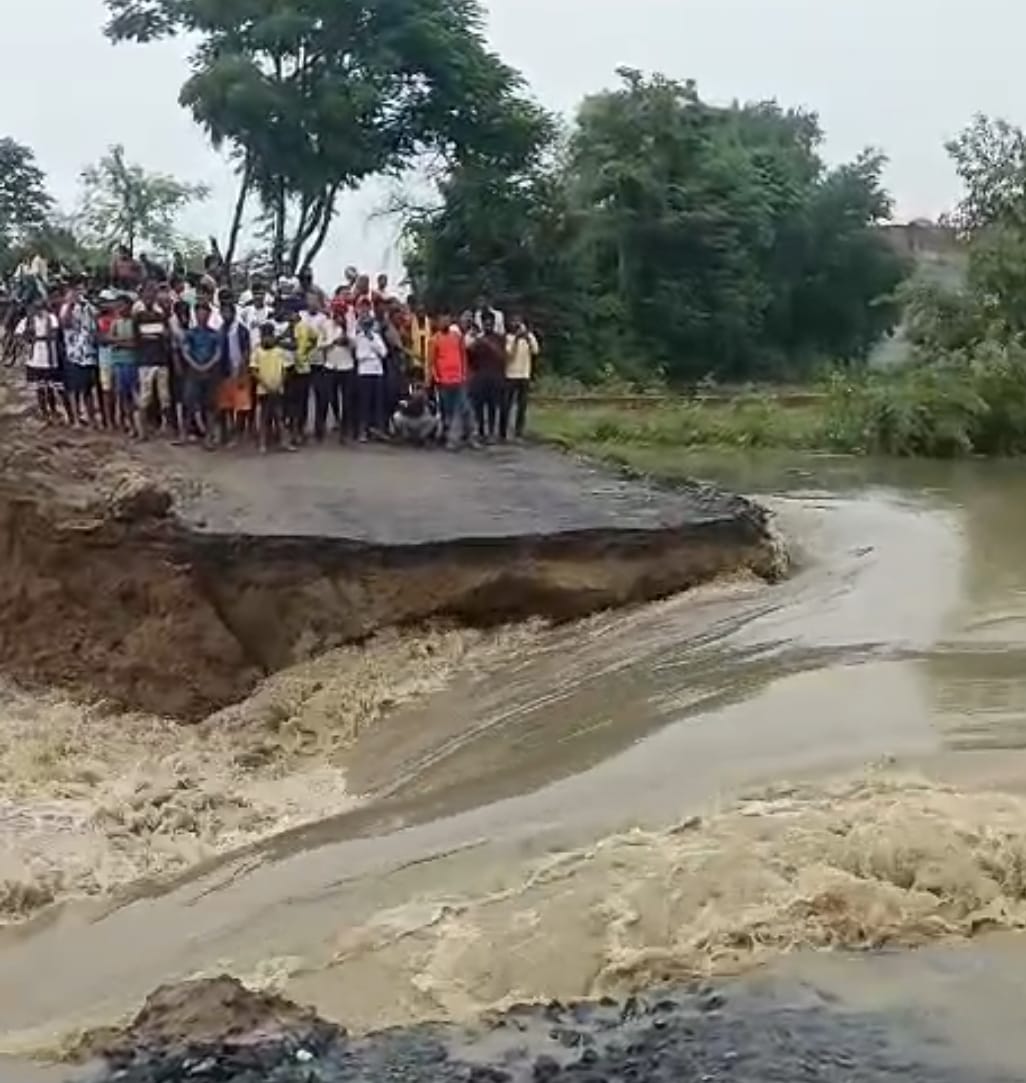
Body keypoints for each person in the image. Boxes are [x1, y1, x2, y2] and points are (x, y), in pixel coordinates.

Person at [430, 312, 475, 450]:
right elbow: (431, 361)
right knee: (447, 411)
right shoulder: (434, 339)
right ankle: (449, 439)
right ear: (437, 322)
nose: (444, 322)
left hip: (459, 379)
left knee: (465, 409)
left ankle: (469, 436)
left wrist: (465, 374)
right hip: (444, 381)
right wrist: (435, 377)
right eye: (442, 320)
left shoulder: (457, 337)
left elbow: (463, 357)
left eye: (447, 319)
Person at [181, 301, 223, 448]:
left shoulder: (214, 334)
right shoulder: (190, 334)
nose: (202, 316)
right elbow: (185, 352)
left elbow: (218, 354)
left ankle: (208, 437)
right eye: (199, 313)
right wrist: (197, 366)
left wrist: (206, 365)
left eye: (205, 313)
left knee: (210, 406)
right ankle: (184, 435)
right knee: (189, 404)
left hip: (209, 374)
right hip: (194, 373)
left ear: (209, 315)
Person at [134, 281, 173, 438]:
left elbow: (166, 338)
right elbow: (137, 340)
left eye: (152, 294)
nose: (149, 297)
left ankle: (164, 427)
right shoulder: (138, 317)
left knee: (164, 396)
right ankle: (141, 429)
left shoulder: (161, 315)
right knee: (145, 397)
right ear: (142, 296)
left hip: (160, 359)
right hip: (145, 360)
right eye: (147, 294)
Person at [16, 297, 65, 423]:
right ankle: (44, 412)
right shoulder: (28, 320)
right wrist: (26, 342)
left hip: (49, 358)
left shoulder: (51, 318)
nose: (39, 310)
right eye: (36, 308)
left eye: (41, 307)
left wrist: (34, 338)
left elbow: (53, 335)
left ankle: (53, 411)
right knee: (40, 388)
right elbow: (18, 334)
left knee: (50, 388)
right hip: (35, 359)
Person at [60, 279, 99, 426]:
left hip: (89, 353)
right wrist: (71, 304)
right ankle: (76, 419)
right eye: (75, 290)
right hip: (73, 353)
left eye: (81, 290)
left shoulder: (89, 307)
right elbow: (65, 323)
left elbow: (95, 324)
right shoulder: (66, 307)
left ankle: (92, 418)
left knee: (88, 389)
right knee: (73, 389)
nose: (78, 293)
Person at [250, 321, 294, 452]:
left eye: (269, 335)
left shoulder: (279, 351)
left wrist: (280, 383)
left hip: (278, 389)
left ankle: (284, 442)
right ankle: (262, 443)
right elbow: (253, 370)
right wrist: (265, 384)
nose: (267, 338)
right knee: (264, 417)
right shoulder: (257, 352)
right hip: (263, 390)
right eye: (264, 336)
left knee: (280, 417)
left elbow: (286, 369)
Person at [291, 291, 328, 442]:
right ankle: (300, 427)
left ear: (319, 302)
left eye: (315, 300)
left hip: (319, 362)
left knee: (321, 396)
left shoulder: (323, 318)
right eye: (309, 300)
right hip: (303, 363)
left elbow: (323, 338)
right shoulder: (301, 315)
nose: (312, 303)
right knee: (302, 397)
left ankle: (320, 427)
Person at [351, 297, 388, 441]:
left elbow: (384, 353)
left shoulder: (376, 337)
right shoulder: (358, 337)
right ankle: (363, 432)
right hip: (363, 372)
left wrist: (372, 342)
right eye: (364, 324)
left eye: (369, 324)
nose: (366, 327)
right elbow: (359, 355)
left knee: (377, 403)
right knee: (363, 403)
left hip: (377, 372)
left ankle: (377, 430)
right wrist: (372, 354)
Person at [319, 304, 356, 443]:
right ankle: (320, 428)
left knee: (347, 401)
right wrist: (333, 342)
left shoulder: (350, 325)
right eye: (336, 313)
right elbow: (319, 345)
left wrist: (346, 336)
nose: (338, 317)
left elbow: (354, 345)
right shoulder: (326, 325)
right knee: (326, 398)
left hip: (347, 367)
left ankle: (345, 431)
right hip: (330, 366)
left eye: (341, 314)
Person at [218, 297, 253, 445]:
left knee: (241, 406)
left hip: (240, 371)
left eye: (227, 312)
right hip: (224, 372)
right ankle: (226, 433)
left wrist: (242, 371)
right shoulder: (220, 330)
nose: (225, 315)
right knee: (225, 406)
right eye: (222, 312)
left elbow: (246, 351)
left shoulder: (241, 329)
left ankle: (238, 434)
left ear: (233, 313)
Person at [468, 312, 506, 442]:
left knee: (492, 406)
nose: (488, 325)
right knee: (479, 406)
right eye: (485, 323)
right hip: (480, 376)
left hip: (495, 376)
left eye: (490, 323)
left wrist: (487, 343)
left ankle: (491, 433)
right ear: (482, 324)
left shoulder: (500, 339)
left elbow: (502, 357)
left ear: (494, 324)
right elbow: (470, 358)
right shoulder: (478, 339)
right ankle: (481, 431)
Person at [503, 315, 539, 441]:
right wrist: (516, 340)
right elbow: (509, 355)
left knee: (522, 405)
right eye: (514, 322)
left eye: (519, 322)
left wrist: (528, 337)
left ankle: (519, 431)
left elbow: (535, 351)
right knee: (507, 404)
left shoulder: (528, 337)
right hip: (511, 375)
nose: (516, 324)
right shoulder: (508, 338)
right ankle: (504, 430)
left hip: (524, 375)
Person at [108, 293, 140, 436]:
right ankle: (130, 424)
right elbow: (110, 339)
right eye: (117, 306)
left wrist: (118, 342)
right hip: (118, 362)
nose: (119, 309)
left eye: (122, 305)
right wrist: (124, 342)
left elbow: (135, 343)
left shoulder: (135, 322)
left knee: (134, 395)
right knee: (123, 395)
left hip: (132, 362)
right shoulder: (116, 322)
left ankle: (137, 425)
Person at [391, 366, 439, 446]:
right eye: (415, 378)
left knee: (436, 419)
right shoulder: (405, 388)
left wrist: (426, 401)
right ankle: (405, 436)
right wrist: (411, 402)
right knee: (396, 417)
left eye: (419, 378)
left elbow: (434, 407)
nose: (417, 380)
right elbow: (399, 404)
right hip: (408, 417)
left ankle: (422, 437)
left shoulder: (428, 389)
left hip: (423, 418)